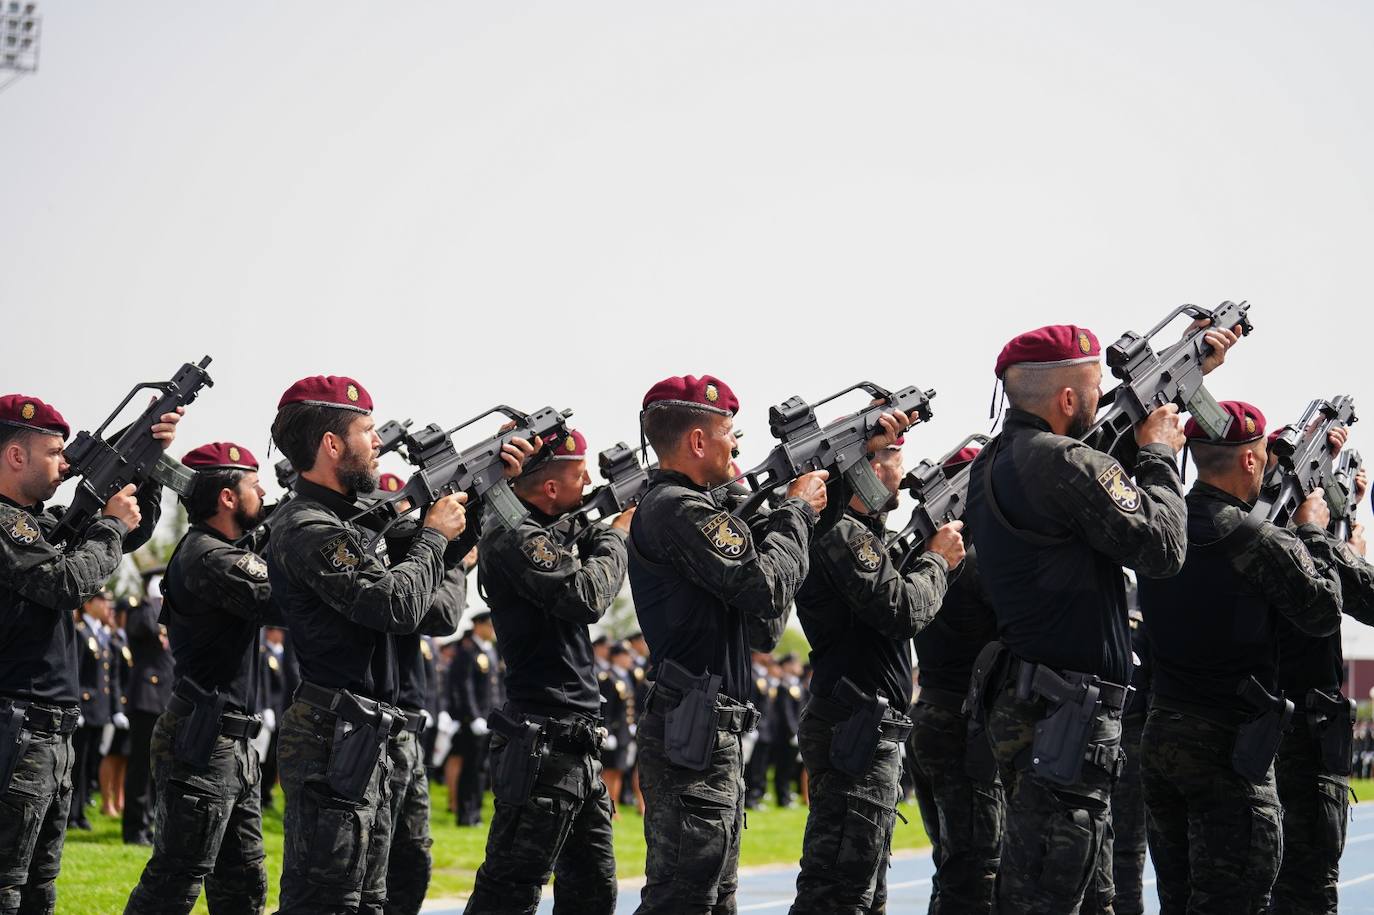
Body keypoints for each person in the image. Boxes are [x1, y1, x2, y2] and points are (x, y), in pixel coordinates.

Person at [963, 321, 1238, 913]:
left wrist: (1188, 373)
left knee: (1086, 893)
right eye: (1093, 390)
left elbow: (1091, 471)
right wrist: (1162, 453)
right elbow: (1163, 548)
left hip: (1041, 710)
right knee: (1045, 897)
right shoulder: (1060, 462)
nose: (1101, 401)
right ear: (1067, 399)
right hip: (1067, 723)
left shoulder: (997, 464)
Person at [265, 375, 517, 914]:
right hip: (334, 735)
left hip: (368, 730)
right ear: (332, 444)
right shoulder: (308, 525)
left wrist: (485, 491)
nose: (377, 441)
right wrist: (432, 535)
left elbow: (431, 586)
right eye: (366, 430)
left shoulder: (352, 520)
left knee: (372, 898)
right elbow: (395, 606)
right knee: (326, 901)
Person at [627, 374, 833, 913]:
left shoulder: (698, 509)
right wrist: (796, 512)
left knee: (715, 895)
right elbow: (766, 589)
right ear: (698, 441)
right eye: (728, 432)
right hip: (692, 727)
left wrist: (766, 520)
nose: (737, 446)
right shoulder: (676, 506)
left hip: (710, 729)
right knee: (683, 897)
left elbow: (762, 629)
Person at [1139, 402, 1343, 914]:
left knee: (1178, 900)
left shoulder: (1166, 524)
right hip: (1229, 749)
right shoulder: (1255, 538)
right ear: (1251, 462)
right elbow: (1322, 613)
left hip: (1164, 733)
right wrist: (1316, 532)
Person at [0, 392, 178, 914]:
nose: (65, 465)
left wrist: (143, 469)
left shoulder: (37, 525)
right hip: (15, 728)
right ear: (15, 455)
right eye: (55, 452)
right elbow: (66, 581)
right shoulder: (7, 526)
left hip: (45, 728)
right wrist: (108, 523)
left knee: (38, 884)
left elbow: (125, 535)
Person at [789, 430, 963, 914]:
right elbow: (904, 609)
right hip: (856, 727)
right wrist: (937, 561)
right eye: (891, 457)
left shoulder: (860, 533)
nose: (902, 471)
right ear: (865, 467)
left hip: (865, 725)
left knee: (862, 891)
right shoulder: (841, 533)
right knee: (839, 894)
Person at [465, 428, 630, 914]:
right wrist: (614, 534)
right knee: (511, 890)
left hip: (575, 742)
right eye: (580, 476)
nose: (589, 485)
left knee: (593, 893)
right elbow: (586, 597)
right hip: (544, 742)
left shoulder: (545, 532)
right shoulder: (515, 538)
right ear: (552, 488)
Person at [124, 441, 280, 914]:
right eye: (254, 484)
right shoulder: (210, 556)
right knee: (175, 881)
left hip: (227, 739)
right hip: (204, 739)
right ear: (228, 498)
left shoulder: (220, 549)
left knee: (242, 881)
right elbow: (285, 601)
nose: (264, 491)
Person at [1269, 430, 1374, 915]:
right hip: (1305, 734)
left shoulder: (1249, 536)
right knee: (1310, 887)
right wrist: (1345, 547)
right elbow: (1353, 598)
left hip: (1265, 730)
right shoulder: (1285, 547)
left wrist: (1344, 507)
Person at [907, 445, 1003, 915]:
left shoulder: (919, 558)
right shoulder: (979, 563)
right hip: (966, 725)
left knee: (952, 864)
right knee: (976, 869)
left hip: (930, 713)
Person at [121, 570, 173, 846]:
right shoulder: (141, 611)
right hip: (145, 700)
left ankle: (151, 822)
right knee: (140, 768)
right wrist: (149, 601)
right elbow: (140, 629)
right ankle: (133, 828)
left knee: (158, 770)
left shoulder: (168, 613)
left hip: (164, 700)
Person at [72, 589, 122, 829]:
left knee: (91, 762)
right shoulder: (80, 632)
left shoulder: (102, 634)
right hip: (85, 707)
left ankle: (81, 809)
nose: (107, 607)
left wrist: (115, 709)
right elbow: (76, 673)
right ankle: (73, 812)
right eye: (103, 601)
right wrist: (76, 706)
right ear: (89, 604)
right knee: (78, 763)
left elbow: (110, 677)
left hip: (99, 709)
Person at [448, 611, 503, 826]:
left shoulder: (490, 651)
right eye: (489, 626)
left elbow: (495, 688)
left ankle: (476, 813)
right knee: (470, 767)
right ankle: (465, 814)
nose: (492, 630)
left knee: (482, 769)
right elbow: (464, 686)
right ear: (478, 625)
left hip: (489, 719)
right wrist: (472, 717)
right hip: (474, 720)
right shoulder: (468, 650)